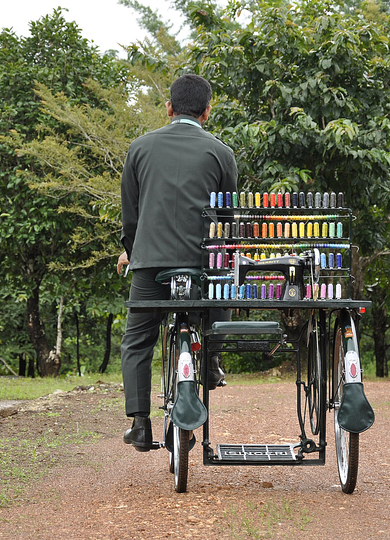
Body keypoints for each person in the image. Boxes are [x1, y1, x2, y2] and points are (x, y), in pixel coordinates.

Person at [116, 74, 238, 452]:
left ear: (168, 108)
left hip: (151, 265)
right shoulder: (221, 152)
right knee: (223, 284)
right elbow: (227, 219)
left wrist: (131, 250)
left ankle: (139, 423)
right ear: (207, 111)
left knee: (137, 339)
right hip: (203, 264)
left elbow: (131, 216)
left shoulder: (139, 148)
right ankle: (212, 359)